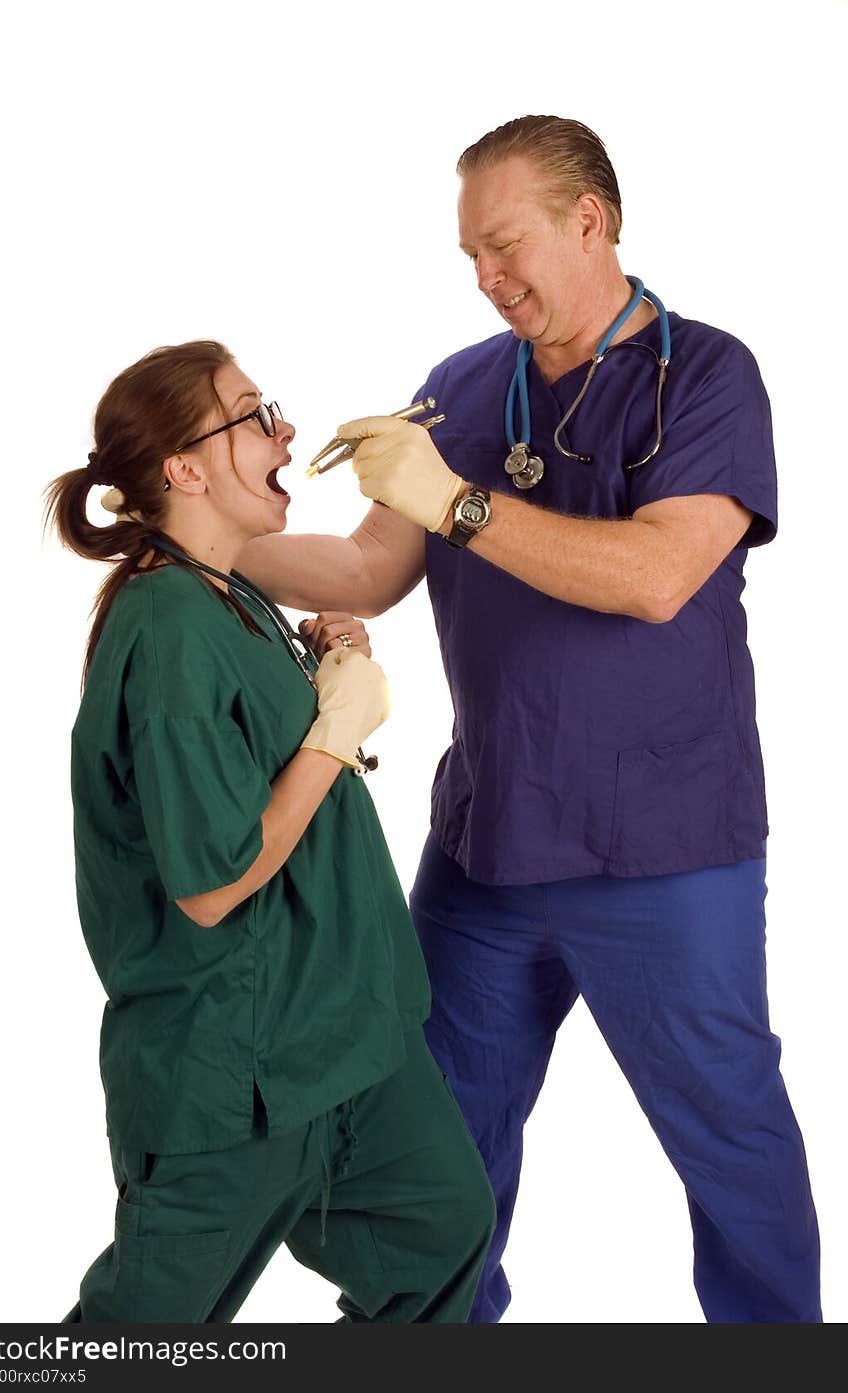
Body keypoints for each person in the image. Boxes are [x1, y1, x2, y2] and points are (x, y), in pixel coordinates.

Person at [237, 117, 822, 1323]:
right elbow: (362, 570)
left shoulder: (709, 376)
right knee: (431, 1146)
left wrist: (455, 502)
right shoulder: (461, 386)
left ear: (589, 222)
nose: (488, 279)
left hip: (666, 855)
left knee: (730, 1146)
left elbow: (659, 576)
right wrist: (201, 540)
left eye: (505, 247)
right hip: (489, 848)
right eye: (470, 259)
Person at [45, 339, 495, 1323]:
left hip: (346, 1040)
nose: (286, 430)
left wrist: (318, 670)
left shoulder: (230, 590)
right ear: (184, 469)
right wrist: (333, 732)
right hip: (234, 1070)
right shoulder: (165, 628)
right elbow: (212, 881)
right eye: (255, 416)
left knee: (441, 1231)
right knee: (134, 1344)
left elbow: (255, 745)